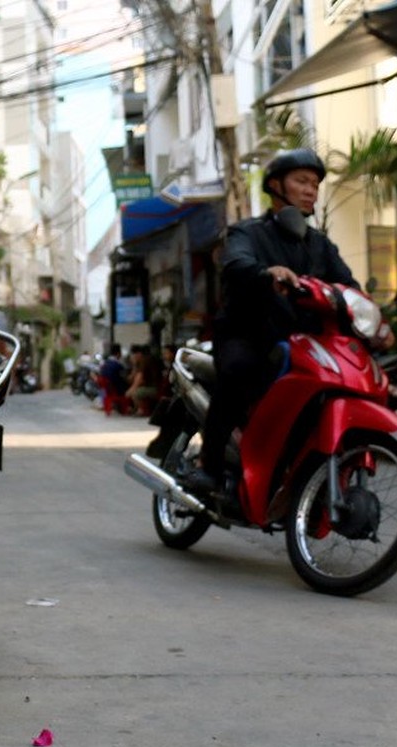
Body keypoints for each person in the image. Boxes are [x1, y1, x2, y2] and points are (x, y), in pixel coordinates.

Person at [183, 148, 360, 494]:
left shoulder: (320, 245)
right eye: (302, 181)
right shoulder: (247, 233)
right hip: (247, 335)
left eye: (315, 184)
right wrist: (265, 273)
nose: (311, 190)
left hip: (303, 343)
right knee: (238, 370)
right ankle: (211, 464)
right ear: (276, 186)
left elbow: (347, 286)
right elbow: (235, 263)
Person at [125, 345, 161, 413]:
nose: (133, 357)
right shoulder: (140, 363)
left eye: (134, 355)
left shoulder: (145, 361)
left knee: (136, 393)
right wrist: (134, 365)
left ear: (139, 354)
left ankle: (141, 410)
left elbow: (139, 377)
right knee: (133, 391)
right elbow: (131, 378)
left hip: (154, 387)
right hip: (148, 386)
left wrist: (132, 389)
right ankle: (137, 409)